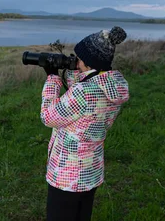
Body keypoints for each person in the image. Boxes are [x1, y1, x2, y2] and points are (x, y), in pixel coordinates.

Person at [40, 26, 130, 221]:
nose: (76, 61)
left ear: (88, 62)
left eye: (79, 58)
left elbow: (48, 117)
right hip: (90, 171)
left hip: (68, 175)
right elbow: (85, 96)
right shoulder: (110, 87)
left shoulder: (83, 93)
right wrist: (75, 73)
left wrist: (52, 78)